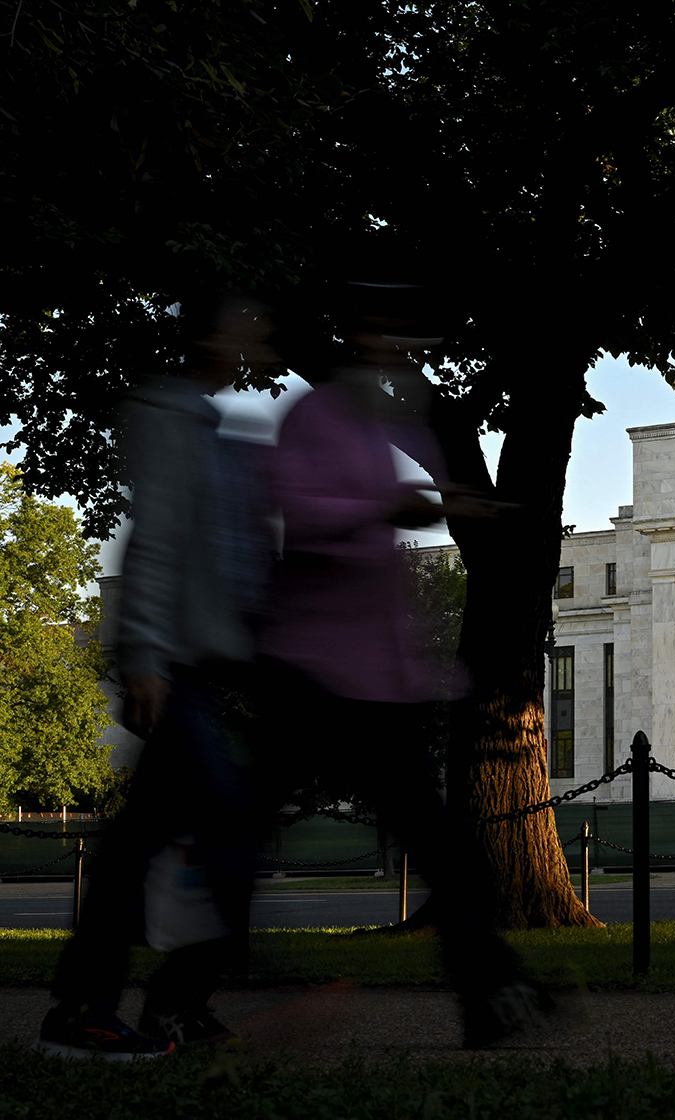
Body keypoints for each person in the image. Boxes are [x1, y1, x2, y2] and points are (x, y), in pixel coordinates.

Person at [255, 282, 545, 1049]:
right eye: (387, 337)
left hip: (378, 678)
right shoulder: (314, 418)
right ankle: (192, 985)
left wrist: (445, 504)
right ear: (359, 341)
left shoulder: (380, 422)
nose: (401, 353)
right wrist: (392, 508)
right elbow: (304, 515)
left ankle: (490, 992)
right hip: (313, 668)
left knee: (444, 846)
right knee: (242, 825)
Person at [38, 294, 275, 1060]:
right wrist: (140, 654)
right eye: (241, 327)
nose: (253, 341)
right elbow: (158, 540)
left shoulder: (211, 426)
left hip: (195, 666)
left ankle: (120, 1003)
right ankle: (124, 1005)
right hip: (169, 664)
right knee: (219, 830)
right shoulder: (172, 418)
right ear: (207, 338)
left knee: (144, 843)